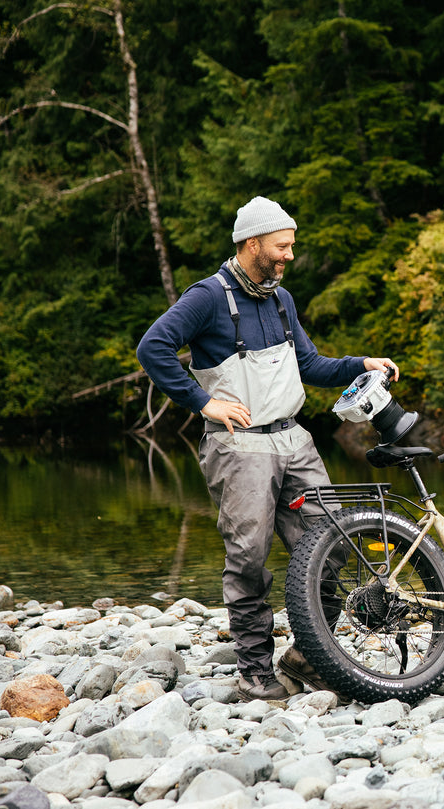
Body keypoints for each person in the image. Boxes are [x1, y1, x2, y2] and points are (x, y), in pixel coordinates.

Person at [137, 196, 400, 701]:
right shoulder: (207, 297)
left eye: (291, 246)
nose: (289, 255)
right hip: (239, 448)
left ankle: (309, 657)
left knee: (333, 545)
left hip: (295, 440)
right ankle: (254, 670)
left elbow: (311, 365)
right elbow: (153, 347)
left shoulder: (282, 300)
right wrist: (203, 402)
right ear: (252, 243)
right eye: (282, 246)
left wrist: (360, 364)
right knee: (249, 560)